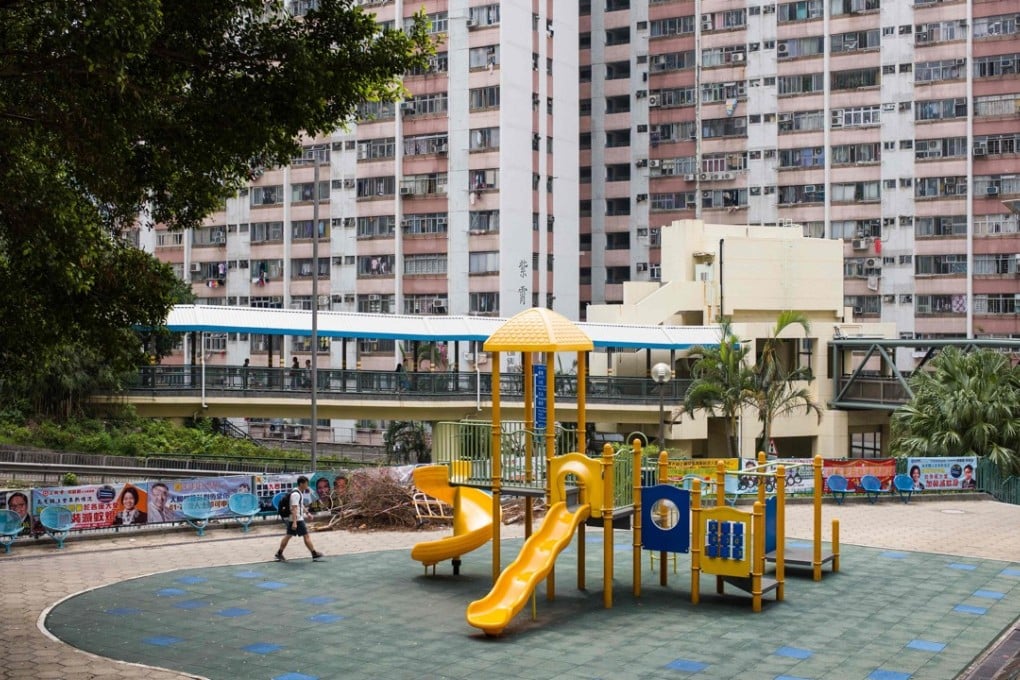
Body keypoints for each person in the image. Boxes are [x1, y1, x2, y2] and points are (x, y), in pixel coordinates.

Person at [275, 476, 323, 562]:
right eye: (306, 483)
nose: (307, 485)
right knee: (306, 536)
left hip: (296, 519)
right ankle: (314, 553)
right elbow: (294, 508)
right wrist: (294, 522)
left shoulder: (298, 492)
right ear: (301, 484)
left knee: (288, 536)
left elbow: (301, 505)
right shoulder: (296, 494)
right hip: (297, 519)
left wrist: (307, 513)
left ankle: (279, 553)